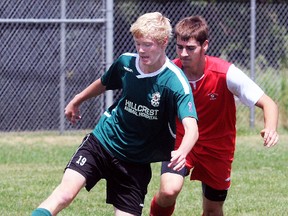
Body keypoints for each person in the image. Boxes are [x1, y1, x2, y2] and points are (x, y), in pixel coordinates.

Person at [31, 12, 199, 216]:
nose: (140, 50)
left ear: (164, 42)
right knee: (64, 194)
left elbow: (192, 127)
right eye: (137, 43)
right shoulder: (126, 63)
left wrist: (182, 150)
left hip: (136, 162)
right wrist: (77, 99)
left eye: (147, 44)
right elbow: (104, 83)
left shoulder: (175, 82)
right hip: (103, 142)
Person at [150, 15, 279, 216]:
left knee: (212, 210)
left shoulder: (226, 73)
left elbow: (268, 102)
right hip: (182, 142)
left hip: (218, 148)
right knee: (168, 191)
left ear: (205, 46)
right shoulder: (170, 73)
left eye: (190, 48)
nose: (183, 53)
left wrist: (270, 127)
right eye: (179, 47)